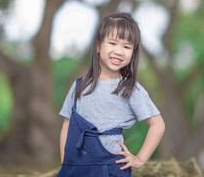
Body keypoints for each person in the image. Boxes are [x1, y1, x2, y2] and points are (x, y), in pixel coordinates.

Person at [57, 12, 165, 177]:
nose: (119, 51)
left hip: (111, 169)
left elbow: (157, 125)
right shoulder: (80, 86)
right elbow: (67, 125)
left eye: (127, 47)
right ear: (99, 46)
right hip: (76, 168)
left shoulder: (130, 89)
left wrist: (139, 159)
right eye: (113, 43)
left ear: (133, 52)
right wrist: (66, 162)